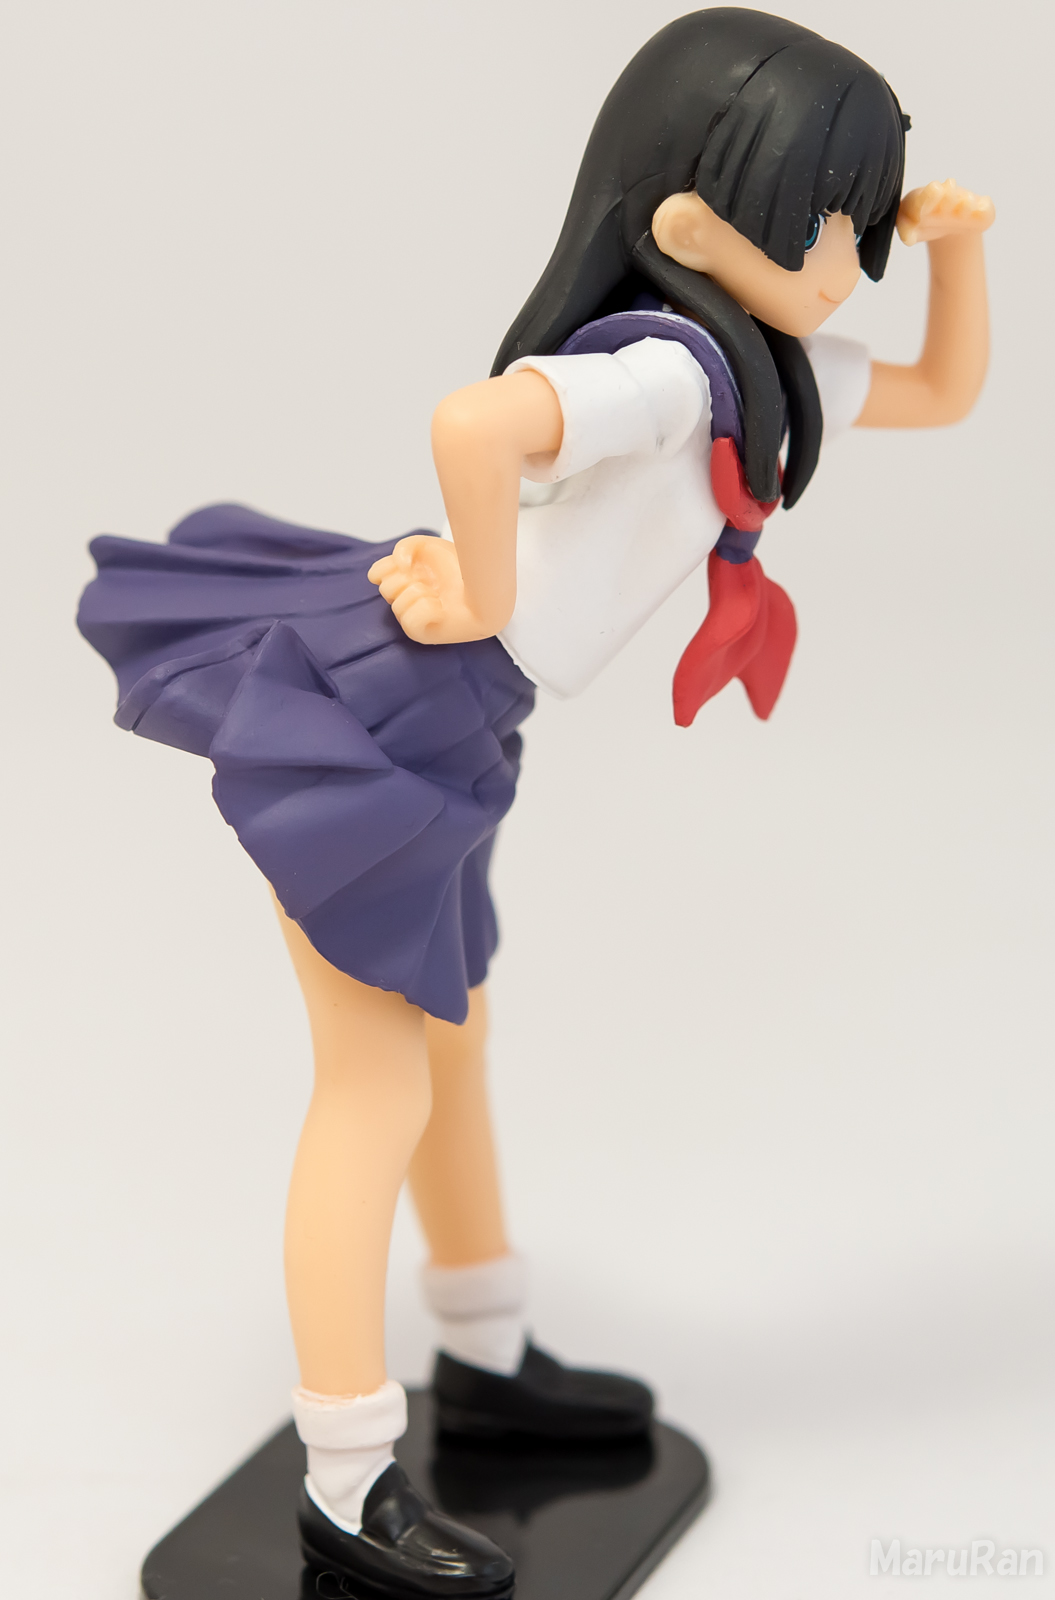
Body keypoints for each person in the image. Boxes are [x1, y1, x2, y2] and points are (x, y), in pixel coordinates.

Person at [77, 9, 994, 1596]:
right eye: (827, 225)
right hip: (383, 709)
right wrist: (485, 594)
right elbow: (477, 420)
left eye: (860, 228)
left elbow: (942, 391)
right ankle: (348, 1481)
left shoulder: (766, 371)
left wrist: (955, 249)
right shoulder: (667, 371)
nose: (851, 262)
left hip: (462, 724)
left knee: (452, 1043)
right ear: (692, 228)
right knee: (376, 1087)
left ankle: (486, 1356)